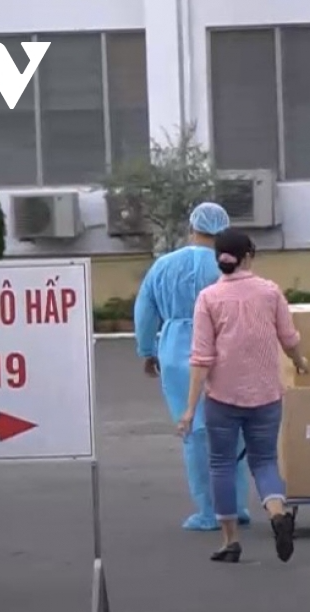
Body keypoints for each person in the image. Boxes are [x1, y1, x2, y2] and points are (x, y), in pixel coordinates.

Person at [179, 229, 309, 564]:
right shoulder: (270, 292)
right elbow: (289, 337)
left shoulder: (208, 298)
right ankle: (278, 513)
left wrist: (190, 408)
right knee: (264, 461)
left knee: (221, 465)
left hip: (222, 397)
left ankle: (230, 541)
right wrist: (299, 361)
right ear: (249, 256)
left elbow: (201, 357)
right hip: (266, 394)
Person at [134, 203, 250, 532]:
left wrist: (147, 350)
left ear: (192, 228)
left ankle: (208, 510)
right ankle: (235, 505)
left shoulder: (164, 266)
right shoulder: (230, 266)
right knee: (233, 429)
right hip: (226, 346)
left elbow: (145, 310)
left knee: (196, 431)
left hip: (177, 350)